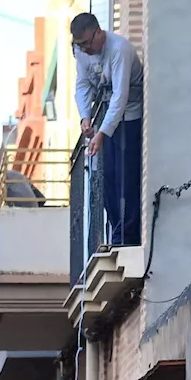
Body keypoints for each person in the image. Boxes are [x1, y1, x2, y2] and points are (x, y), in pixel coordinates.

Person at [72, 12, 144, 247]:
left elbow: (120, 97)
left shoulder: (119, 49)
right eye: (78, 45)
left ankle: (128, 236)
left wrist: (102, 133)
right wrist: (84, 116)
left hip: (130, 115)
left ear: (98, 33)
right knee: (108, 178)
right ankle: (117, 231)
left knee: (126, 176)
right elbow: (82, 85)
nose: (83, 50)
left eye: (85, 43)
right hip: (108, 118)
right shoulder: (82, 54)